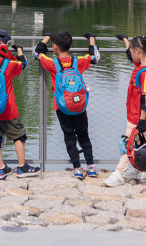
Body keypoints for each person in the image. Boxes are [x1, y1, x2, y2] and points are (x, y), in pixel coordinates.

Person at [32, 31, 99, 179]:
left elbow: (36, 52)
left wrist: (46, 37)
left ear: (55, 47)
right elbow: (95, 57)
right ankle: (91, 167)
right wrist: (91, 39)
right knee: (84, 135)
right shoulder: (78, 61)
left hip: (62, 106)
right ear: (70, 45)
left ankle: (77, 168)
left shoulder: (52, 64)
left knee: (69, 136)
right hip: (79, 105)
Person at [0, 28, 41, 179]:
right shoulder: (9, 64)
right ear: (1, 45)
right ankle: (22, 167)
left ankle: (1, 168)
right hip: (8, 109)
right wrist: (19, 51)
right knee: (19, 136)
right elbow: (22, 64)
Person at [104, 34, 146, 187]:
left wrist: (141, 121)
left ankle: (119, 174)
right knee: (139, 143)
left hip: (137, 116)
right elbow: (130, 54)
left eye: (133, 51)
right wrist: (126, 40)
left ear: (138, 51)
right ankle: (140, 170)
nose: (131, 55)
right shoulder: (141, 66)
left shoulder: (145, 73)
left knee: (128, 145)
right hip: (135, 115)